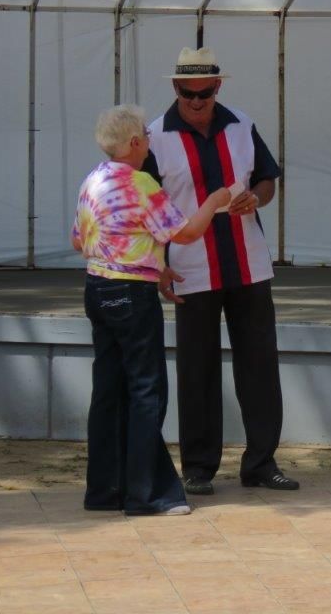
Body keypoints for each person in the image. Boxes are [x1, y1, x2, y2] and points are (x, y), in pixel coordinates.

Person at [144, 47, 298, 495]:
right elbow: (148, 208)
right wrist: (157, 267)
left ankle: (261, 462)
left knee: (260, 367)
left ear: (218, 87)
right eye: (187, 94)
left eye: (205, 93)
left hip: (248, 263)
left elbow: (268, 176)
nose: (196, 102)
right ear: (175, 88)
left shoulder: (242, 125)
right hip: (190, 268)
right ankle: (197, 466)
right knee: (197, 369)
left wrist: (258, 197)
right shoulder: (154, 136)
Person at [73, 105, 230, 515]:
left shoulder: (93, 179)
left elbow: (79, 239)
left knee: (108, 389)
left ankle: (104, 489)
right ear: (134, 143)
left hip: (97, 286)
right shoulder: (140, 183)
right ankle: (145, 493)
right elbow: (188, 231)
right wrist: (215, 199)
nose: (148, 141)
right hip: (130, 293)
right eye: (144, 135)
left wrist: (147, 257)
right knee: (147, 392)